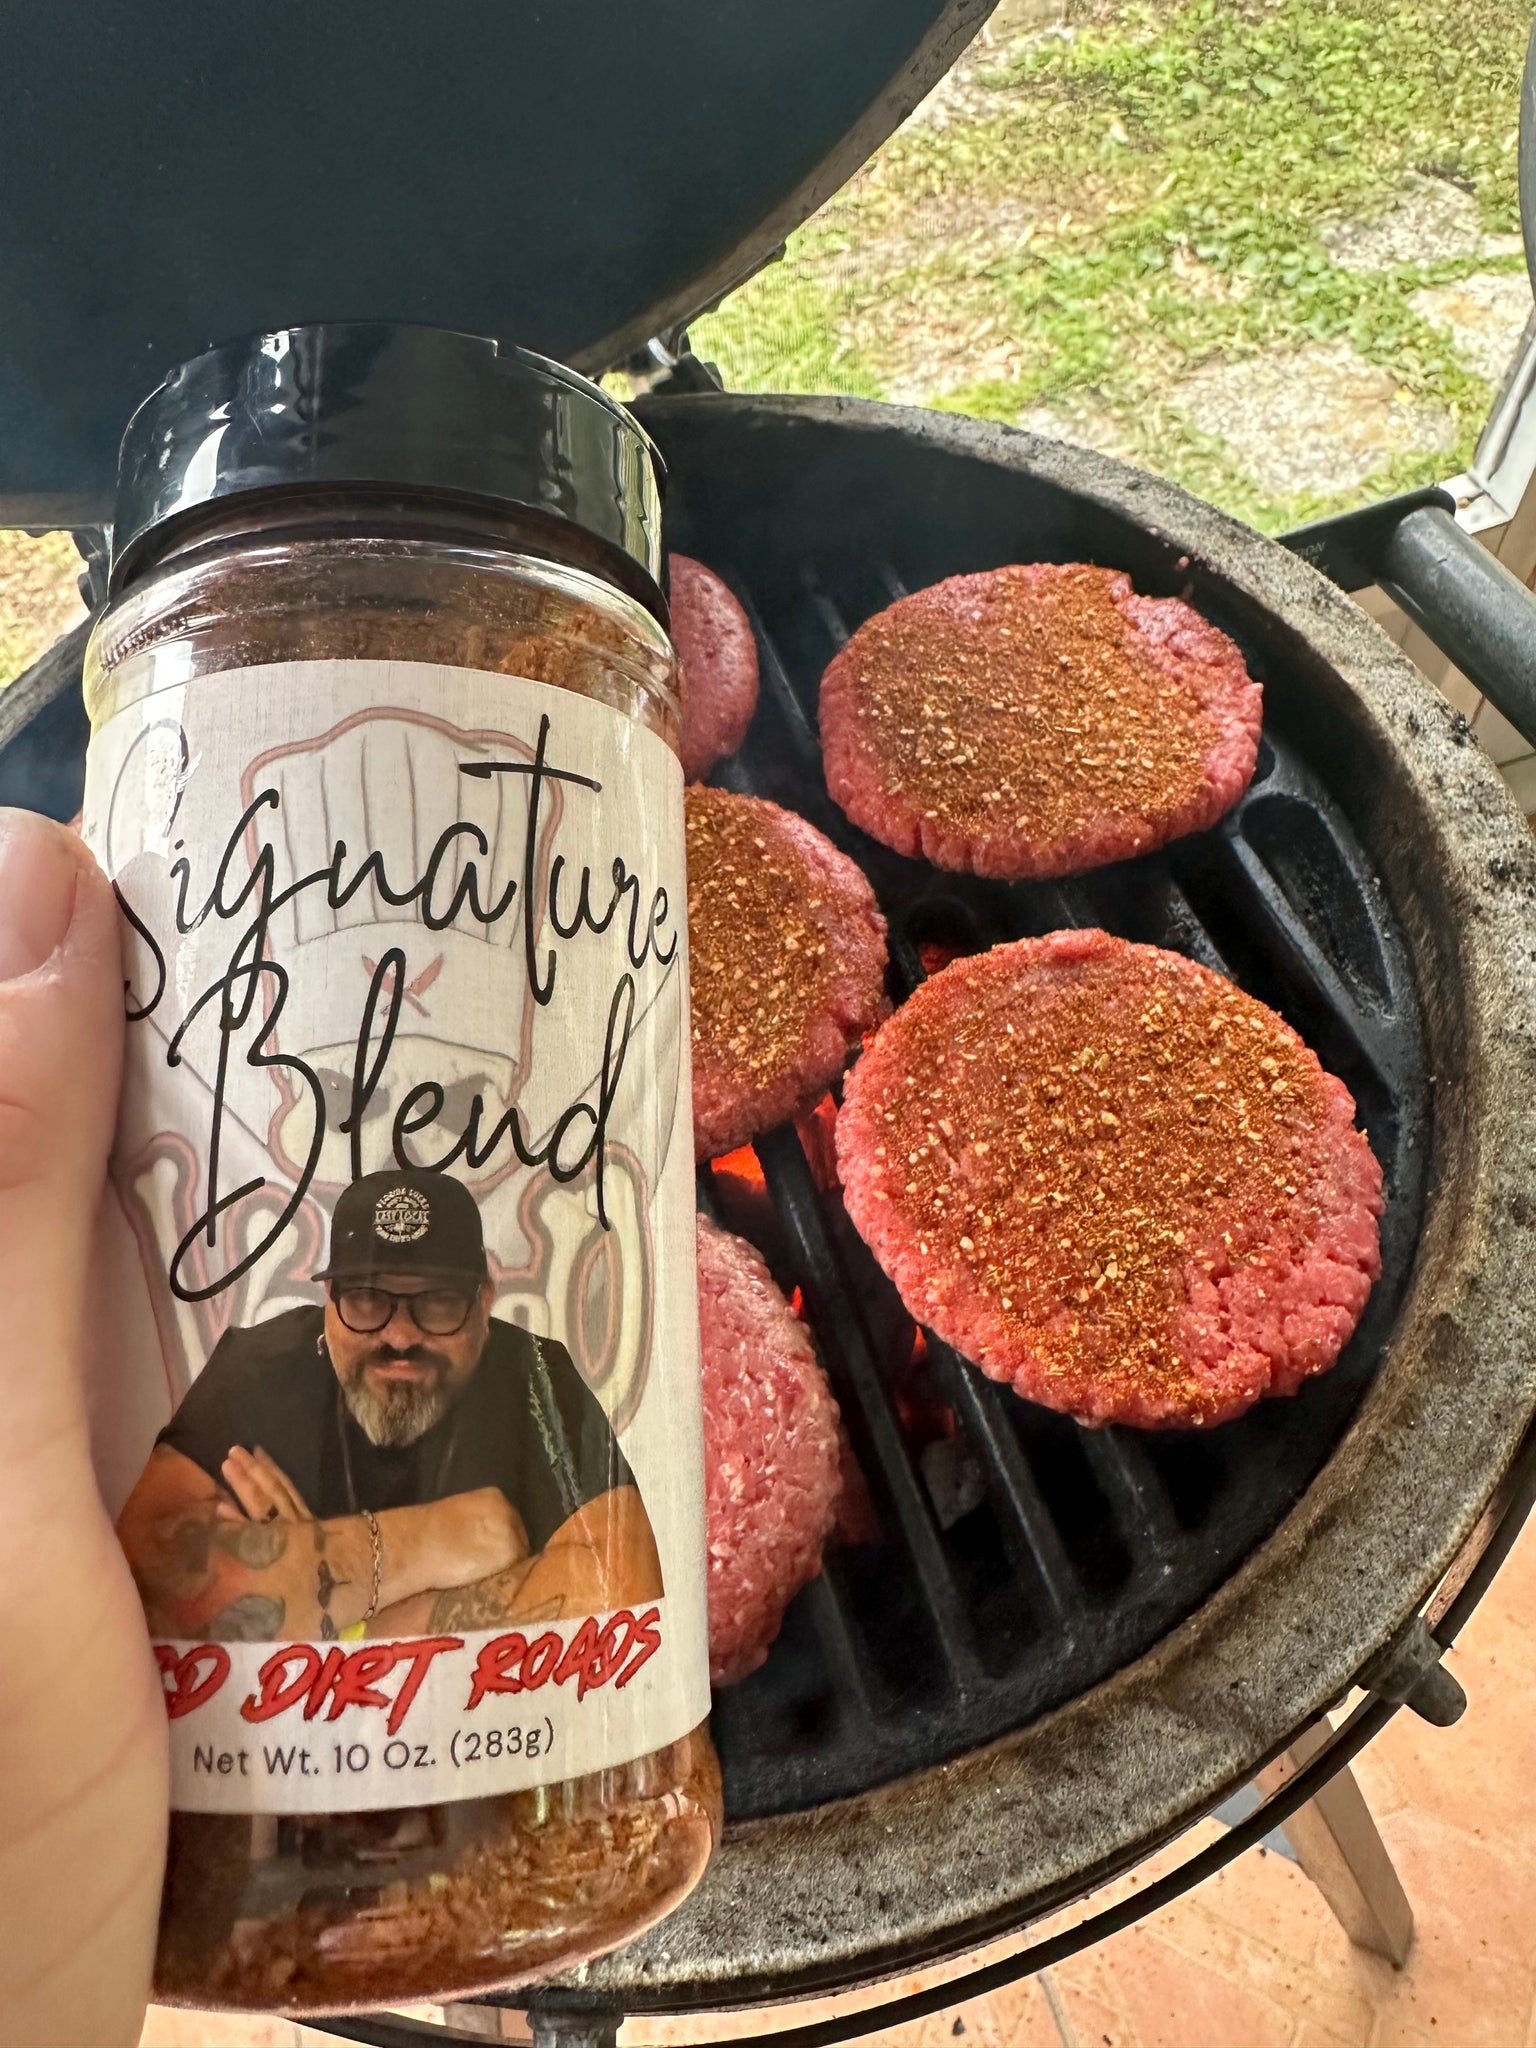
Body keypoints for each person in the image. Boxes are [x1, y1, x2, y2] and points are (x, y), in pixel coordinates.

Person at [116, 1167, 662, 1645]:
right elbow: (142, 1583)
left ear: (484, 1304)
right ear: (328, 1301)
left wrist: (324, 1605)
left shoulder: (535, 1373)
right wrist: (433, 1542)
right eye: (366, 1299)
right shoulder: (258, 1368)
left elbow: (625, 1596)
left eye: (438, 1302)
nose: (400, 1336)